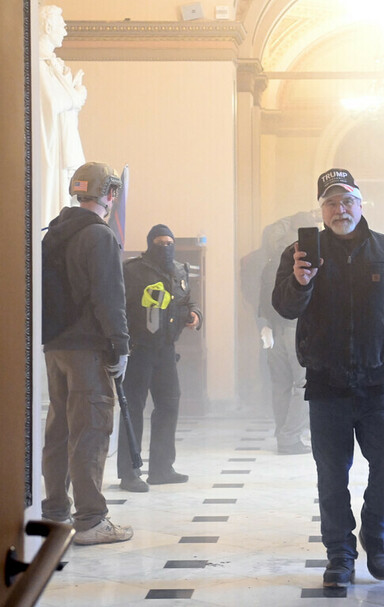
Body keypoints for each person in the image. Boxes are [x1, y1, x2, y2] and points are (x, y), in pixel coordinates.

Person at [272, 168, 384, 588]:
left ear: (361, 205)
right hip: (325, 381)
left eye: (347, 201)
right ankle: (340, 554)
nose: (340, 210)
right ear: (321, 210)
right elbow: (284, 307)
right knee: (332, 475)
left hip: (376, 380)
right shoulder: (300, 252)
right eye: (331, 203)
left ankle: (376, 532)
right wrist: (300, 282)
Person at [41, 161, 132, 545]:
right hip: (88, 350)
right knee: (90, 431)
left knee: (59, 429)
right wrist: (121, 345)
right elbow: (109, 297)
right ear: (109, 193)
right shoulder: (99, 235)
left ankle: (55, 514)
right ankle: (91, 520)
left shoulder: (54, 232)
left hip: (55, 346)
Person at [117, 224, 202, 491]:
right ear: (149, 243)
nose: (165, 247)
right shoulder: (132, 270)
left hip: (165, 349)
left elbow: (187, 301)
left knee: (169, 405)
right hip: (139, 349)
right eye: (159, 243)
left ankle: (162, 468)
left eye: (169, 243)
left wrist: (195, 315)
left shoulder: (179, 270)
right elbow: (120, 306)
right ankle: (130, 473)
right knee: (133, 409)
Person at [257, 211, 320, 455]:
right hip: (297, 327)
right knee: (305, 383)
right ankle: (290, 436)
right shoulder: (303, 256)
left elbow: (263, 295)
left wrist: (265, 324)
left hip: (275, 327)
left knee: (281, 385)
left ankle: (282, 434)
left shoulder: (272, 258)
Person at [39, 4, 87, 222]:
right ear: (48, 27)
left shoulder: (52, 65)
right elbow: (50, 103)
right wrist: (76, 96)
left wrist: (69, 87)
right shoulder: (38, 65)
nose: (65, 31)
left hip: (60, 146)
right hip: (50, 151)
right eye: (62, 25)